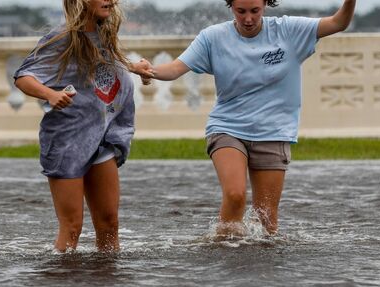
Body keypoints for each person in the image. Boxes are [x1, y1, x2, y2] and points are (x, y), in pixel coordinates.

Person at [142, 0, 356, 237]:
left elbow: (339, 22)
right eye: (240, 11)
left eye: (255, 11)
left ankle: (255, 269)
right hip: (227, 128)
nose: (248, 19)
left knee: (266, 221)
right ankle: (220, 254)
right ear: (230, 5)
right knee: (235, 195)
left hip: (274, 132)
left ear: (265, 4)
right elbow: (174, 69)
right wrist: (149, 70)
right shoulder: (213, 37)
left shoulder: (289, 30)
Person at [13, 0, 152, 252]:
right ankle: (66, 285)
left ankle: (108, 286)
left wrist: (133, 68)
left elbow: (100, 66)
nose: (110, 0)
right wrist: (49, 95)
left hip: (101, 138)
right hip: (67, 142)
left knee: (109, 224)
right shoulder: (61, 38)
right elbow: (23, 77)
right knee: (72, 227)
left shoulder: (103, 34)